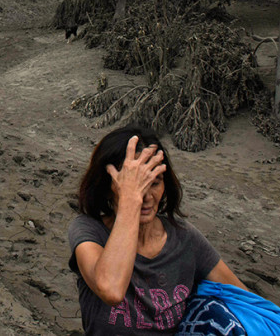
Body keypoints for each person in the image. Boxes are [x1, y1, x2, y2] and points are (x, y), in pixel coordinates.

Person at [67, 125, 247, 335]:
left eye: (154, 183)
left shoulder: (184, 237)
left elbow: (243, 297)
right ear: (109, 188)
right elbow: (111, 289)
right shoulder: (89, 231)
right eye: (135, 185)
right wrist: (129, 201)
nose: (145, 196)